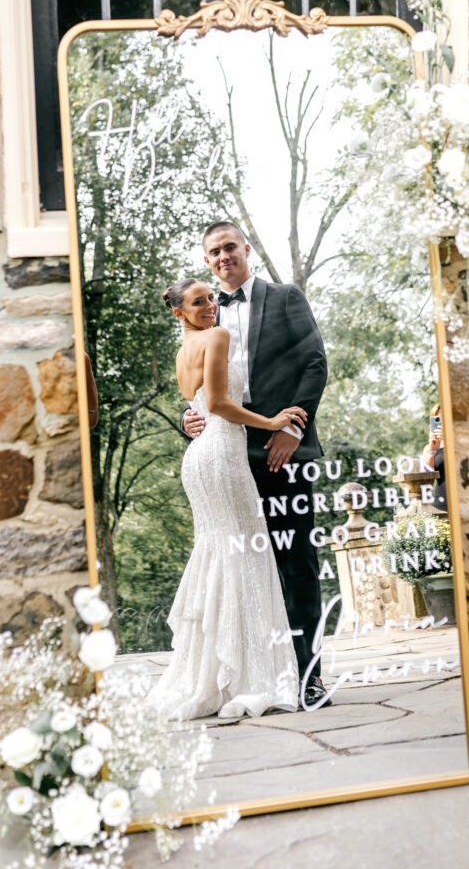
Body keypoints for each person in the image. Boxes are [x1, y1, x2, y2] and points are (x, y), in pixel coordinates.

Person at [182, 220, 330, 709]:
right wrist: (191, 416)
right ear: (207, 261)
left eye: (230, 247)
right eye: (214, 251)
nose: (224, 256)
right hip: (227, 456)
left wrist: (290, 429)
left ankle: (308, 676)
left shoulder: (286, 297)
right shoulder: (202, 317)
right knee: (240, 564)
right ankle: (252, 677)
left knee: (295, 565)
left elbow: (314, 364)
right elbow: (203, 387)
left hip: (281, 451)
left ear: (246, 249)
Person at [149, 277, 304, 719]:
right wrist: (273, 423)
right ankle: (248, 678)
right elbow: (216, 403)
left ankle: (214, 675)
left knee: (221, 552)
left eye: (212, 298)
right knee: (246, 553)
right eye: (199, 301)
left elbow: (197, 404)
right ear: (179, 312)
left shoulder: (183, 352)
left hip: (200, 459)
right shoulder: (217, 336)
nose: (211, 306)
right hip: (221, 455)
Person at [422, 402, 447, 514]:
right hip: (441, 504)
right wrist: (432, 449)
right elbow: (426, 484)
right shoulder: (429, 449)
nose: (441, 423)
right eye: (437, 420)